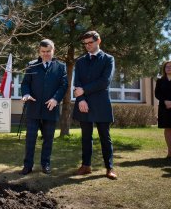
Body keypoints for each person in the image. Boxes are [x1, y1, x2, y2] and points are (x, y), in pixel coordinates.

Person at [73, 30, 117, 180]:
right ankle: (86, 166)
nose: (87, 46)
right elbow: (77, 83)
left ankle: (109, 168)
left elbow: (105, 81)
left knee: (105, 137)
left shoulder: (108, 59)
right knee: (86, 137)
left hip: (101, 104)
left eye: (90, 42)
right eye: (85, 44)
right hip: (83, 104)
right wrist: (81, 100)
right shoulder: (80, 61)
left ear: (99, 41)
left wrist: (84, 90)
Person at [20, 39, 68, 175]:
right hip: (33, 108)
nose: (46, 54)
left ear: (53, 50)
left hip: (50, 108)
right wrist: (26, 94)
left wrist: (56, 99)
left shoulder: (61, 66)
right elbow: (25, 84)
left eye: (48, 51)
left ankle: (45, 164)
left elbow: (63, 85)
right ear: (39, 52)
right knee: (30, 139)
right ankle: (27, 165)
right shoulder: (31, 65)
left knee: (48, 139)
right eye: (43, 52)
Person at [155, 60, 171, 158]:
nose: (169, 68)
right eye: (167, 66)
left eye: (170, 66)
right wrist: (165, 101)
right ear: (164, 69)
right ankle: (170, 152)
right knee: (168, 129)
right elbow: (157, 93)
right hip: (164, 108)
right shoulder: (160, 81)